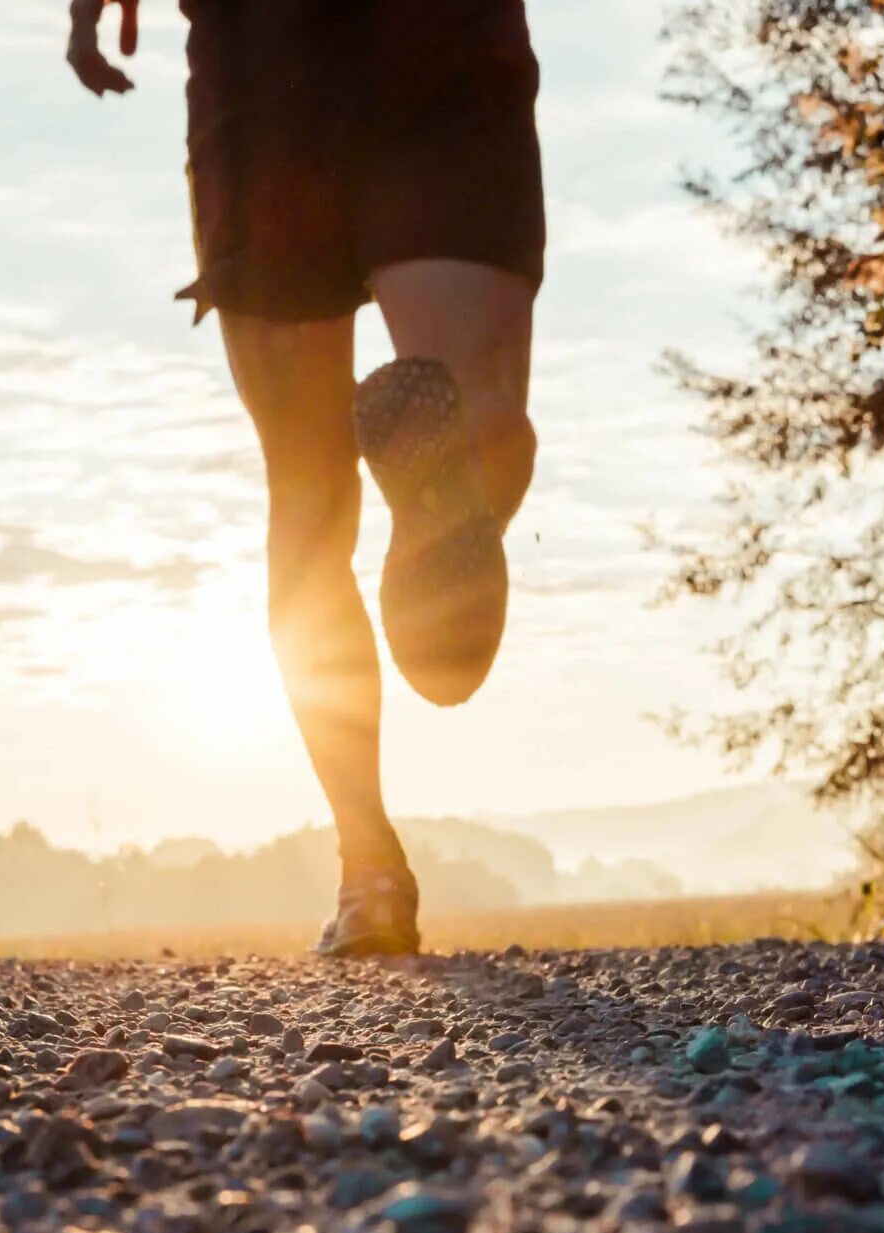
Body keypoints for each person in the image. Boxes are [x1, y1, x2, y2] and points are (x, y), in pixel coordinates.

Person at [67, 0, 544, 957]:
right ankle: (449, 479)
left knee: (308, 491)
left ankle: (370, 869)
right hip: (438, 38)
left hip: (261, 54)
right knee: (475, 399)